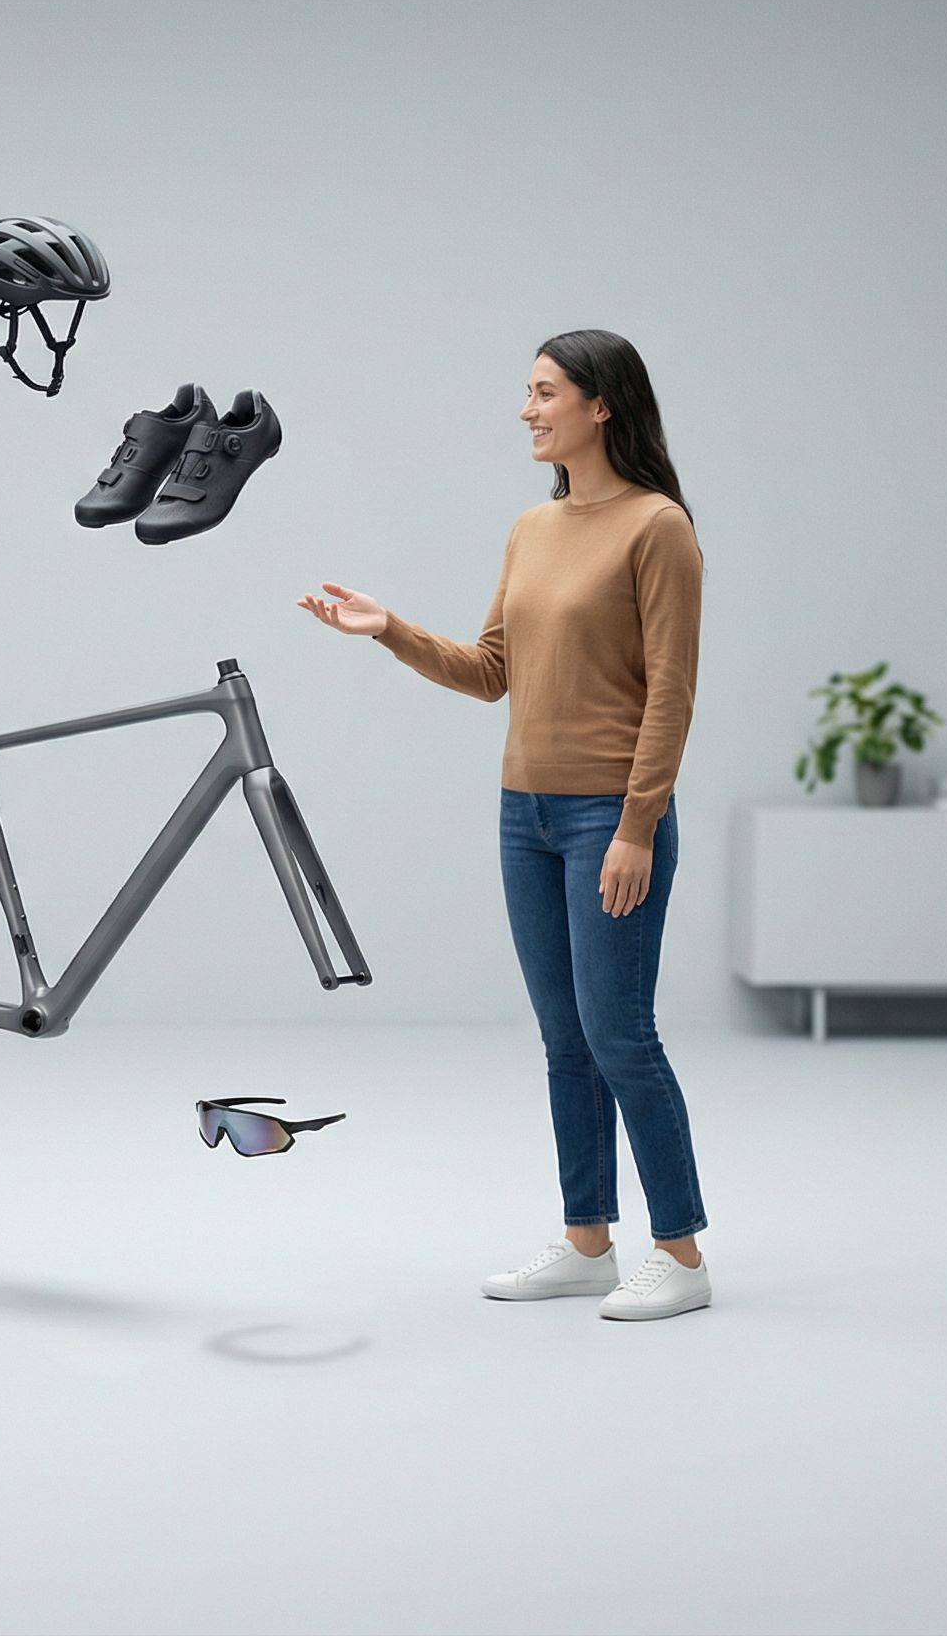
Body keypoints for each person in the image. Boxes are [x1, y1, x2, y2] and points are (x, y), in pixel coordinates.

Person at [299, 329, 711, 1321]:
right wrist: (389, 629)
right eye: (527, 394)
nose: (528, 410)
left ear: (601, 403)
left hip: (608, 813)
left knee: (623, 1036)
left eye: (544, 392)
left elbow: (672, 696)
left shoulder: (658, 529)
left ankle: (684, 1256)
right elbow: (492, 673)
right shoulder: (533, 527)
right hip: (522, 812)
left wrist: (636, 827)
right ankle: (586, 1241)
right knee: (565, 1038)